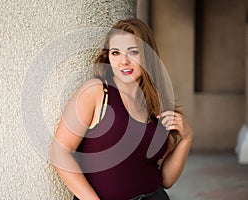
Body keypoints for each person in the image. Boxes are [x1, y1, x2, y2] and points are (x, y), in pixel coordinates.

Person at [51, 18, 193, 200]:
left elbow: (166, 179)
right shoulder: (96, 92)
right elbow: (60, 152)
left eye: (133, 52)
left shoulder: (156, 102)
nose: (123, 61)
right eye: (116, 53)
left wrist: (187, 138)